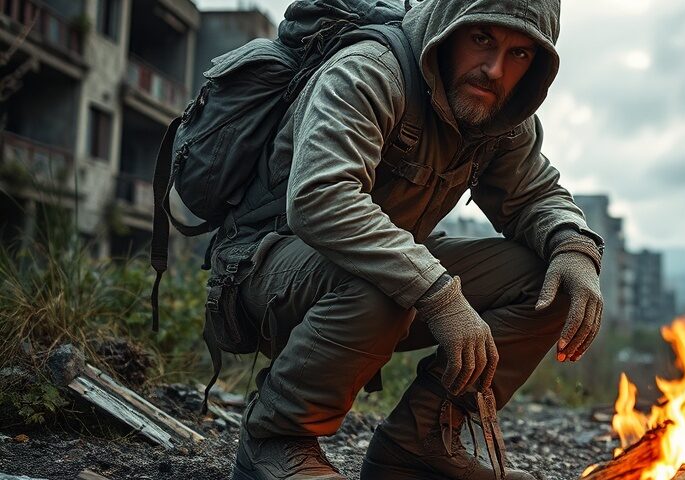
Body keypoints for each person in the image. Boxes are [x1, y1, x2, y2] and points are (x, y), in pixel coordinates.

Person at [219, 0, 605, 478]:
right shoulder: (370, 72)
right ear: (450, 25)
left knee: (547, 283)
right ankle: (276, 441)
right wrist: (438, 294)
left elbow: (534, 193)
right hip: (262, 268)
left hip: (383, 273)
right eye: (482, 39)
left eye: (520, 53)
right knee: (388, 281)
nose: (494, 69)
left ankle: (424, 441)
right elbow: (321, 197)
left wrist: (574, 245)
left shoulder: (497, 110)